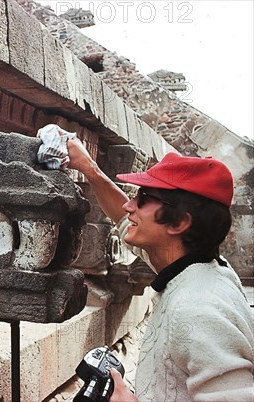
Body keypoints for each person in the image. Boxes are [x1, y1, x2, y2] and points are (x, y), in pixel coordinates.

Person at [65, 138, 254, 401]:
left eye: (142, 198)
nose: (129, 205)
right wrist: (89, 169)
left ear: (178, 223)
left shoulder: (199, 311)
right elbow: (123, 220)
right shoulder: (198, 268)